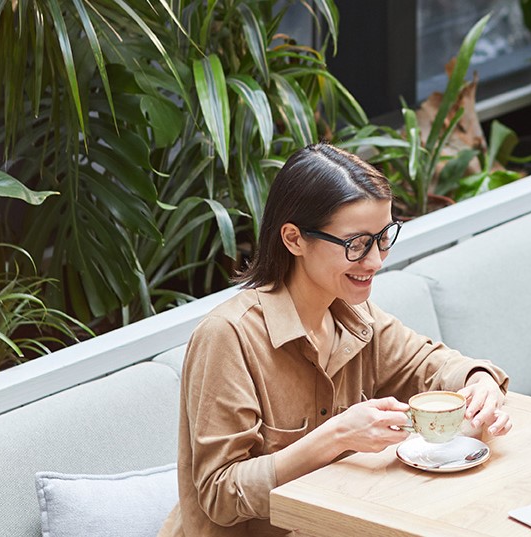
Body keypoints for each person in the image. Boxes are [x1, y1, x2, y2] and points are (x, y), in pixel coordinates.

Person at [159, 144, 512, 536]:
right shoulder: (228, 337)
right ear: (294, 239)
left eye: (383, 237)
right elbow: (221, 495)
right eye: (356, 244)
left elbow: (432, 365)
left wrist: (479, 382)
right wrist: (338, 435)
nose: (376, 260)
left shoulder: (354, 317)